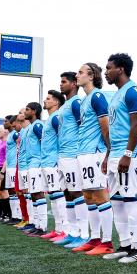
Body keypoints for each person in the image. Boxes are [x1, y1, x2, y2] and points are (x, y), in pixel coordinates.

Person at [102, 53, 137, 264]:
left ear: (120, 69)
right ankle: (125, 245)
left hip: (130, 154)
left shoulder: (133, 91)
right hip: (115, 155)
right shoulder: (118, 94)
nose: (106, 72)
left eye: (109, 68)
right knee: (116, 203)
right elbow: (115, 129)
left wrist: (128, 154)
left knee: (130, 200)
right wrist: (108, 155)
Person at [72, 63, 114, 255]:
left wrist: (108, 151)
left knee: (99, 194)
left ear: (91, 76)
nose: (77, 75)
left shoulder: (97, 96)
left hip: (94, 152)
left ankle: (107, 241)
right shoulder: (84, 100)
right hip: (83, 153)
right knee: (88, 196)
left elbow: (105, 125)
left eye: (80, 72)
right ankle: (95, 238)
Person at [53, 72, 89, 248]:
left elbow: (82, 125)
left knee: (77, 193)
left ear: (74, 84)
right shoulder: (64, 106)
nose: (61, 85)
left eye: (64, 82)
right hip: (63, 155)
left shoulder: (76, 102)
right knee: (68, 193)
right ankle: (73, 232)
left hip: (73, 154)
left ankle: (84, 234)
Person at [38, 90, 67, 240]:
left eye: (48, 99)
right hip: (47, 162)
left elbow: (63, 137)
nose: (45, 100)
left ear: (56, 102)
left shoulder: (56, 117)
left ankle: (64, 230)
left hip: (54, 161)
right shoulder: (49, 119)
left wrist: (58, 159)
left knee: (58, 195)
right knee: (53, 196)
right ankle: (57, 228)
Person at [23, 102, 47, 237]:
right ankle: (37, 224)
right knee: (33, 194)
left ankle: (42, 226)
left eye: (27, 110)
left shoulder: (38, 125)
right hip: (31, 163)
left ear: (33, 111)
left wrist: (41, 161)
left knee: (38, 193)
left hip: (37, 163)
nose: (25, 112)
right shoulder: (31, 126)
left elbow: (44, 142)